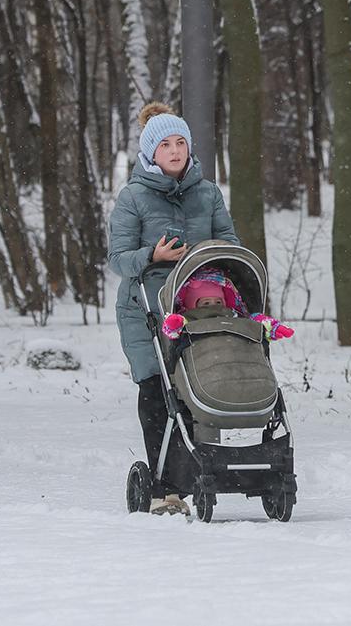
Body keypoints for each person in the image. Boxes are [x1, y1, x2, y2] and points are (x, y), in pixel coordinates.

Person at [107, 102, 240, 516]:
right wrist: (154, 255)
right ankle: (164, 488)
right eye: (165, 144)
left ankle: (205, 471)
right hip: (145, 311)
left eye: (181, 141)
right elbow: (118, 258)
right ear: (151, 152)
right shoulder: (133, 197)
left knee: (199, 387)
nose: (176, 149)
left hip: (199, 306)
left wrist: (211, 255)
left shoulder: (207, 192)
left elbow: (229, 242)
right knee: (158, 392)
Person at [160, 266, 294, 342]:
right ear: (191, 305)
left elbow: (254, 321)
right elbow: (172, 331)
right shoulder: (188, 319)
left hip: (233, 356)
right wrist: (174, 323)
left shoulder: (233, 315)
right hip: (202, 357)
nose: (214, 307)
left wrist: (272, 327)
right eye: (206, 303)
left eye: (219, 302)